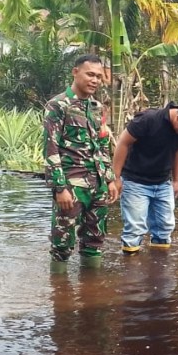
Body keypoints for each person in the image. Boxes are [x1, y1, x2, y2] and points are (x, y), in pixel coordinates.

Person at [43, 54, 117, 274]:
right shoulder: (57, 105)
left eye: (98, 76)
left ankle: (91, 297)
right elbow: (50, 148)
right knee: (62, 243)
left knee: (95, 241)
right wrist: (59, 188)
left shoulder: (97, 108)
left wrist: (110, 180)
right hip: (71, 186)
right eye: (90, 74)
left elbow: (103, 146)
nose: (95, 80)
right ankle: (60, 297)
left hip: (98, 184)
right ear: (75, 72)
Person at [111, 101, 178, 253]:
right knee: (135, 228)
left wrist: (176, 181)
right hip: (135, 181)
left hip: (163, 182)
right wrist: (115, 178)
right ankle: (130, 271)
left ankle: (159, 269)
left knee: (165, 227)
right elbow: (123, 143)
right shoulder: (148, 119)